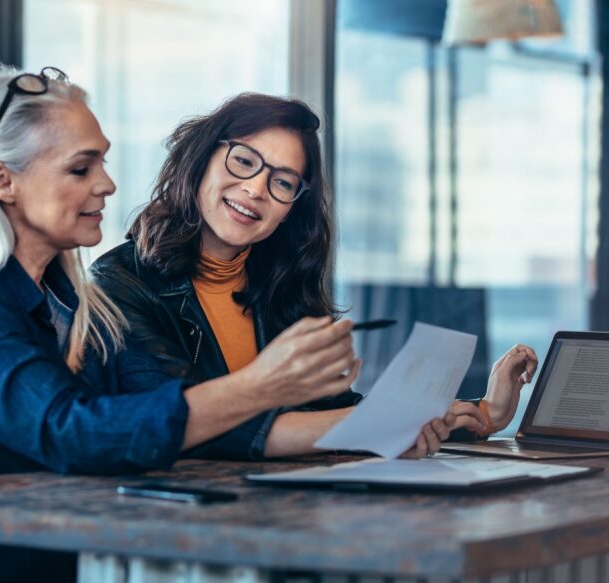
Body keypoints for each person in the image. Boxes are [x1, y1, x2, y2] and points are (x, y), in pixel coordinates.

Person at [0, 68, 365, 583]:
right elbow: (70, 433)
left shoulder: (78, 305)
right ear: (1, 180)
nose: (107, 183)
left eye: (101, 161)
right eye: (81, 168)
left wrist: (390, 425)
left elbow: (158, 418)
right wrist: (260, 385)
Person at [91, 93, 538, 460]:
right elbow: (191, 424)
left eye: (283, 182)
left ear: (291, 210)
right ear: (201, 159)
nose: (256, 189)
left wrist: (484, 412)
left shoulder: (278, 285)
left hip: (280, 513)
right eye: (243, 161)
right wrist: (383, 426)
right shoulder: (119, 284)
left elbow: (331, 412)